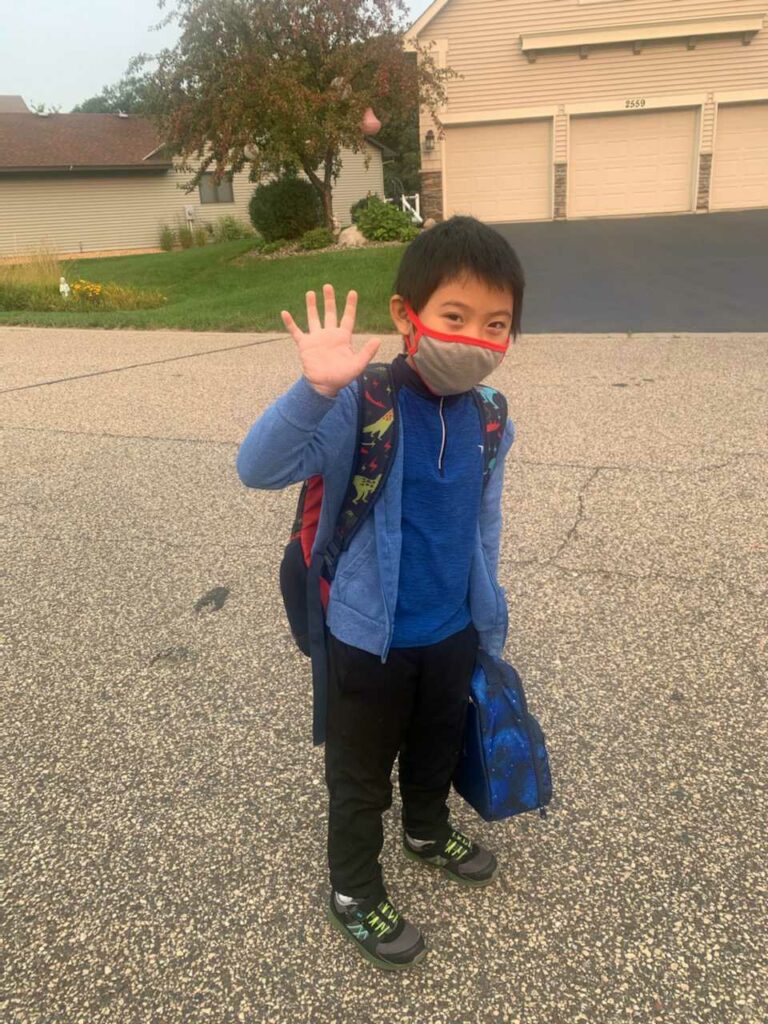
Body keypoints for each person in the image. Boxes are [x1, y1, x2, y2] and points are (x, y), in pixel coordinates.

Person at [236, 215, 525, 971]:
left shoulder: (490, 418)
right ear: (407, 315)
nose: (475, 338)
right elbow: (257, 467)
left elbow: (483, 528)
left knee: (435, 747)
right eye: (454, 317)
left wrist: (486, 622)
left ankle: (428, 831)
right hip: (368, 636)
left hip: (451, 628)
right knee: (361, 776)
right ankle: (354, 890)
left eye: (497, 324)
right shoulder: (360, 403)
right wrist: (312, 390)